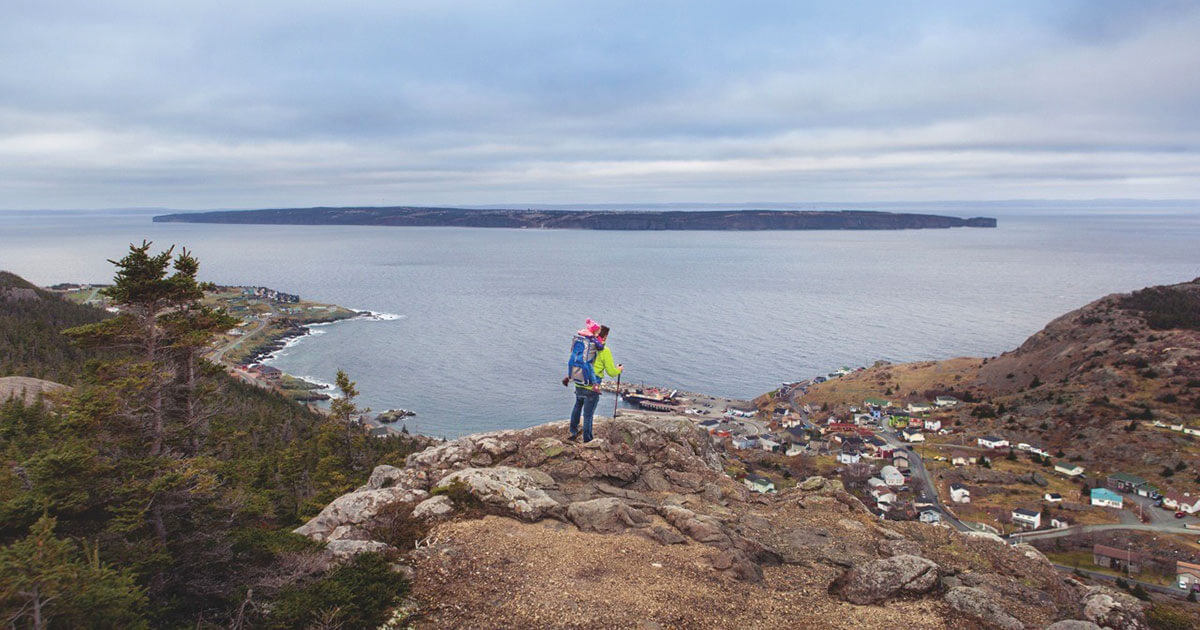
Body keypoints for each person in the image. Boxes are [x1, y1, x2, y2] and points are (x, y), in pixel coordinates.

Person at [566, 321, 622, 442]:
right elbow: (611, 372)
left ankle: (572, 432)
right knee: (588, 415)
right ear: (605, 336)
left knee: (577, 406)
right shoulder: (604, 350)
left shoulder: (586, 346)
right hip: (592, 386)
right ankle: (587, 440)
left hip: (579, 382)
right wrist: (619, 369)